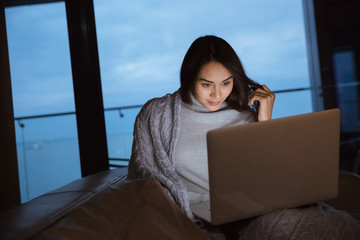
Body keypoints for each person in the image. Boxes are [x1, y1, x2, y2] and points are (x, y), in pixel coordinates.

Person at [128, 35, 360, 239]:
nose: (217, 94)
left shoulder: (244, 115)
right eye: (206, 84)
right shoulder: (157, 114)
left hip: (252, 212)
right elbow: (142, 174)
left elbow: (271, 177)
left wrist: (264, 120)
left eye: (226, 83)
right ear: (189, 77)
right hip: (196, 215)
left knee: (290, 226)